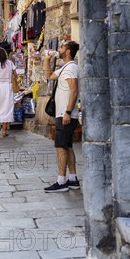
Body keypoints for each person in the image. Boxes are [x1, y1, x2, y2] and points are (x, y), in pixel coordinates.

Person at [42, 40, 80, 192]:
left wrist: (68, 112)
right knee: (67, 146)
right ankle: (73, 179)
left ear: (68, 51)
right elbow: (49, 75)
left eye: (62, 47)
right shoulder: (66, 67)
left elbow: (74, 90)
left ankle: (61, 180)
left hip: (66, 113)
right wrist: (46, 59)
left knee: (61, 147)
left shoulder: (71, 68)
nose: (60, 49)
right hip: (64, 113)